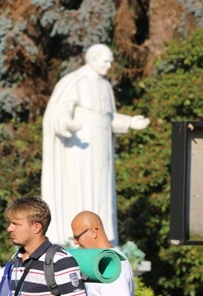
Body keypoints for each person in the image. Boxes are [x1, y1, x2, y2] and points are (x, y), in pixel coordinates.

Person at [41, 43, 150, 246]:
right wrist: (65, 123)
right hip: (79, 146)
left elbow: (108, 119)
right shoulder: (75, 81)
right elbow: (61, 110)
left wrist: (130, 122)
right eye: (105, 60)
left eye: (110, 61)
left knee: (101, 191)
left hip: (101, 149)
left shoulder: (105, 86)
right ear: (92, 59)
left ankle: (101, 237)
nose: (109, 65)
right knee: (80, 187)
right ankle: (74, 235)